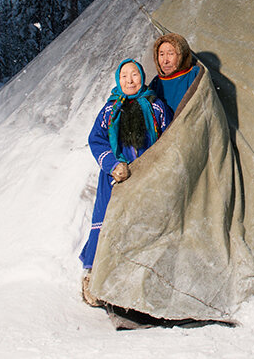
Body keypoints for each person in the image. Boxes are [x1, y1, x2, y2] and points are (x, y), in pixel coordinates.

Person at [80, 58, 172, 305]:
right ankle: (93, 280)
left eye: (134, 75)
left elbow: (170, 138)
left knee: (143, 227)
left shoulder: (156, 107)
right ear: (118, 81)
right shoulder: (110, 109)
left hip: (147, 176)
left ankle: (138, 283)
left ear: (142, 77)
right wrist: (112, 165)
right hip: (115, 178)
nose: (130, 80)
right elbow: (96, 139)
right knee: (107, 223)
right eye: (124, 77)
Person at [149, 33, 200, 115]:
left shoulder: (195, 75)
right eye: (161, 54)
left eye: (170, 54)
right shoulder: (156, 82)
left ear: (182, 55)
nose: (165, 61)